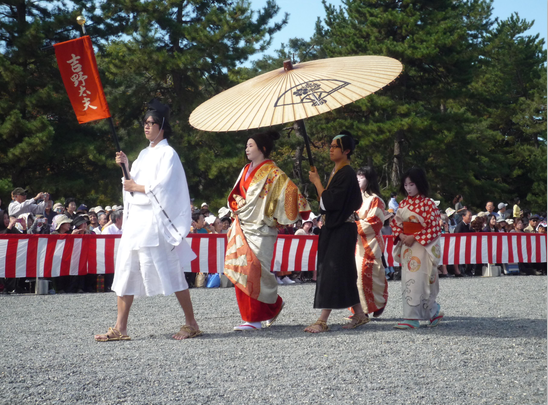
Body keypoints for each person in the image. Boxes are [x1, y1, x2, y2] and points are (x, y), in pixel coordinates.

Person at [94, 99, 201, 342]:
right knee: (125, 272)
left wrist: (136, 185)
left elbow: (165, 187)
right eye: (145, 123)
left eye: (151, 123)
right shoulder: (144, 153)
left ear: (162, 125)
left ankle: (191, 322)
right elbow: (132, 185)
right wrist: (127, 168)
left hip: (155, 221)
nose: (147, 127)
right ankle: (120, 327)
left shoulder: (168, 153)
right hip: (136, 221)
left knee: (172, 271)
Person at [224, 130, 310, 331]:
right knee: (240, 268)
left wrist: (300, 207)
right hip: (243, 224)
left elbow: (290, 191)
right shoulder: (245, 169)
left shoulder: (274, 172)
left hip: (261, 227)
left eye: (251, 145)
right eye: (246, 145)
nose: (247, 149)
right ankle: (269, 308)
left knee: (254, 270)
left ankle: (254, 318)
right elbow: (235, 194)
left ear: (262, 148)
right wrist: (238, 205)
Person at [305, 131, 368, 333]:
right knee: (344, 271)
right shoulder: (338, 171)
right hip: (338, 227)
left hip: (341, 228)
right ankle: (359, 314)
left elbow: (330, 202)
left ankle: (323, 320)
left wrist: (316, 182)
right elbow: (327, 201)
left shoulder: (347, 173)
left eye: (335, 146)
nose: (330, 149)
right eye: (330, 145)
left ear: (346, 150)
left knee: (332, 270)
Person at [390, 167, 443, 329]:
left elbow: (434, 227)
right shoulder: (404, 203)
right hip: (407, 246)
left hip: (422, 247)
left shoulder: (428, 203)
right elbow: (396, 223)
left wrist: (414, 236)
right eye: (406, 185)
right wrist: (401, 235)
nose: (408, 188)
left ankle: (417, 316)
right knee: (409, 280)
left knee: (422, 280)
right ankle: (431, 312)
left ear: (419, 184)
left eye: (411, 184)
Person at [352, 165, 388, 319]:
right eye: (357, 176)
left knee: (367, 275)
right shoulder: (353, 197)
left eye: (362, 176)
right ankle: (360, 311)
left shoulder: (375, 200)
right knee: (355, 276)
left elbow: (374, 222)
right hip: (355, 242)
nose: (358, 179)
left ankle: (376, 304)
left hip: (369, 243)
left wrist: (352, 223)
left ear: (369, 179)